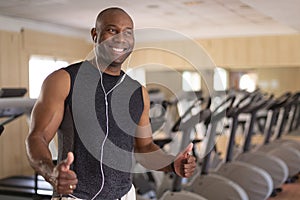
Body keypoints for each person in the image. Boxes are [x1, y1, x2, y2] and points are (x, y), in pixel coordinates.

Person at [25, 7, 196, 200]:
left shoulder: (138, 93)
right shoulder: (64, 80)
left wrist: (172, 163)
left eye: (128, 33)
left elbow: (145, 148)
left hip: (124, 195)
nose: (121, 39)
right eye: (112, 30)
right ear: (95, 34)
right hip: (77, 196)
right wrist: (51, 173)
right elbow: (36, 138)